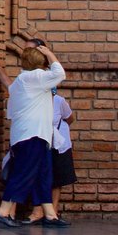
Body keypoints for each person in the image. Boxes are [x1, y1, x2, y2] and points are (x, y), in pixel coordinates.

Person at [0, 42, 70, 228]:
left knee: (43, 175)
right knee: (23, 173)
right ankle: (2, 212)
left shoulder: (22, 80)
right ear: (40, 63)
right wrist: (50, 53)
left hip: (30, 135)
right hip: (32, 136)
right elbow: (60, 73)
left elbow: (8, 86)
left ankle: (50, 215)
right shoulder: (37, 77)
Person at [26, 87, 77, 223]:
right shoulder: (36, 103)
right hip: (42, 142)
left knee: (57, 179)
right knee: (40, 176)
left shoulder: (59, 102)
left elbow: (70, 118)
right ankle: (39, 211)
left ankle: (53, 212)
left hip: (58, 145)